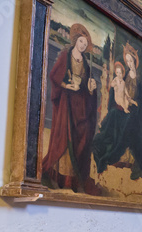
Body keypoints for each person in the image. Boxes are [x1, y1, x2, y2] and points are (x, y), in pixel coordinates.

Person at [41, 23, 100, 194]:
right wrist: (67, 85)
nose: (82, 45)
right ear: (75, 40)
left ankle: (73, 180)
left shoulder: (86, 63)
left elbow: (88, 87)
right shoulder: (65, 56)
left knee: (80, 137)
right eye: (81, 41)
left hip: (80, 106)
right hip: (67, 105)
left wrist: (91, 87)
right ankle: (60, 178)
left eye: (85, 43)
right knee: (65, 139)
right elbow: (54, 76)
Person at [92, 43, 142, 180]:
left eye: (132, 61)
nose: (130, 63)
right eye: (128, 61)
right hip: (123, 107)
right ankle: (104, 148)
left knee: (128, 129)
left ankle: (112, 156)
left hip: (134, 112)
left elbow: (140, 101)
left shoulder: (139, 81)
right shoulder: (123, 78)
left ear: (135, 62)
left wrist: (133, 107)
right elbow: (120, 92)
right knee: (113, 116)